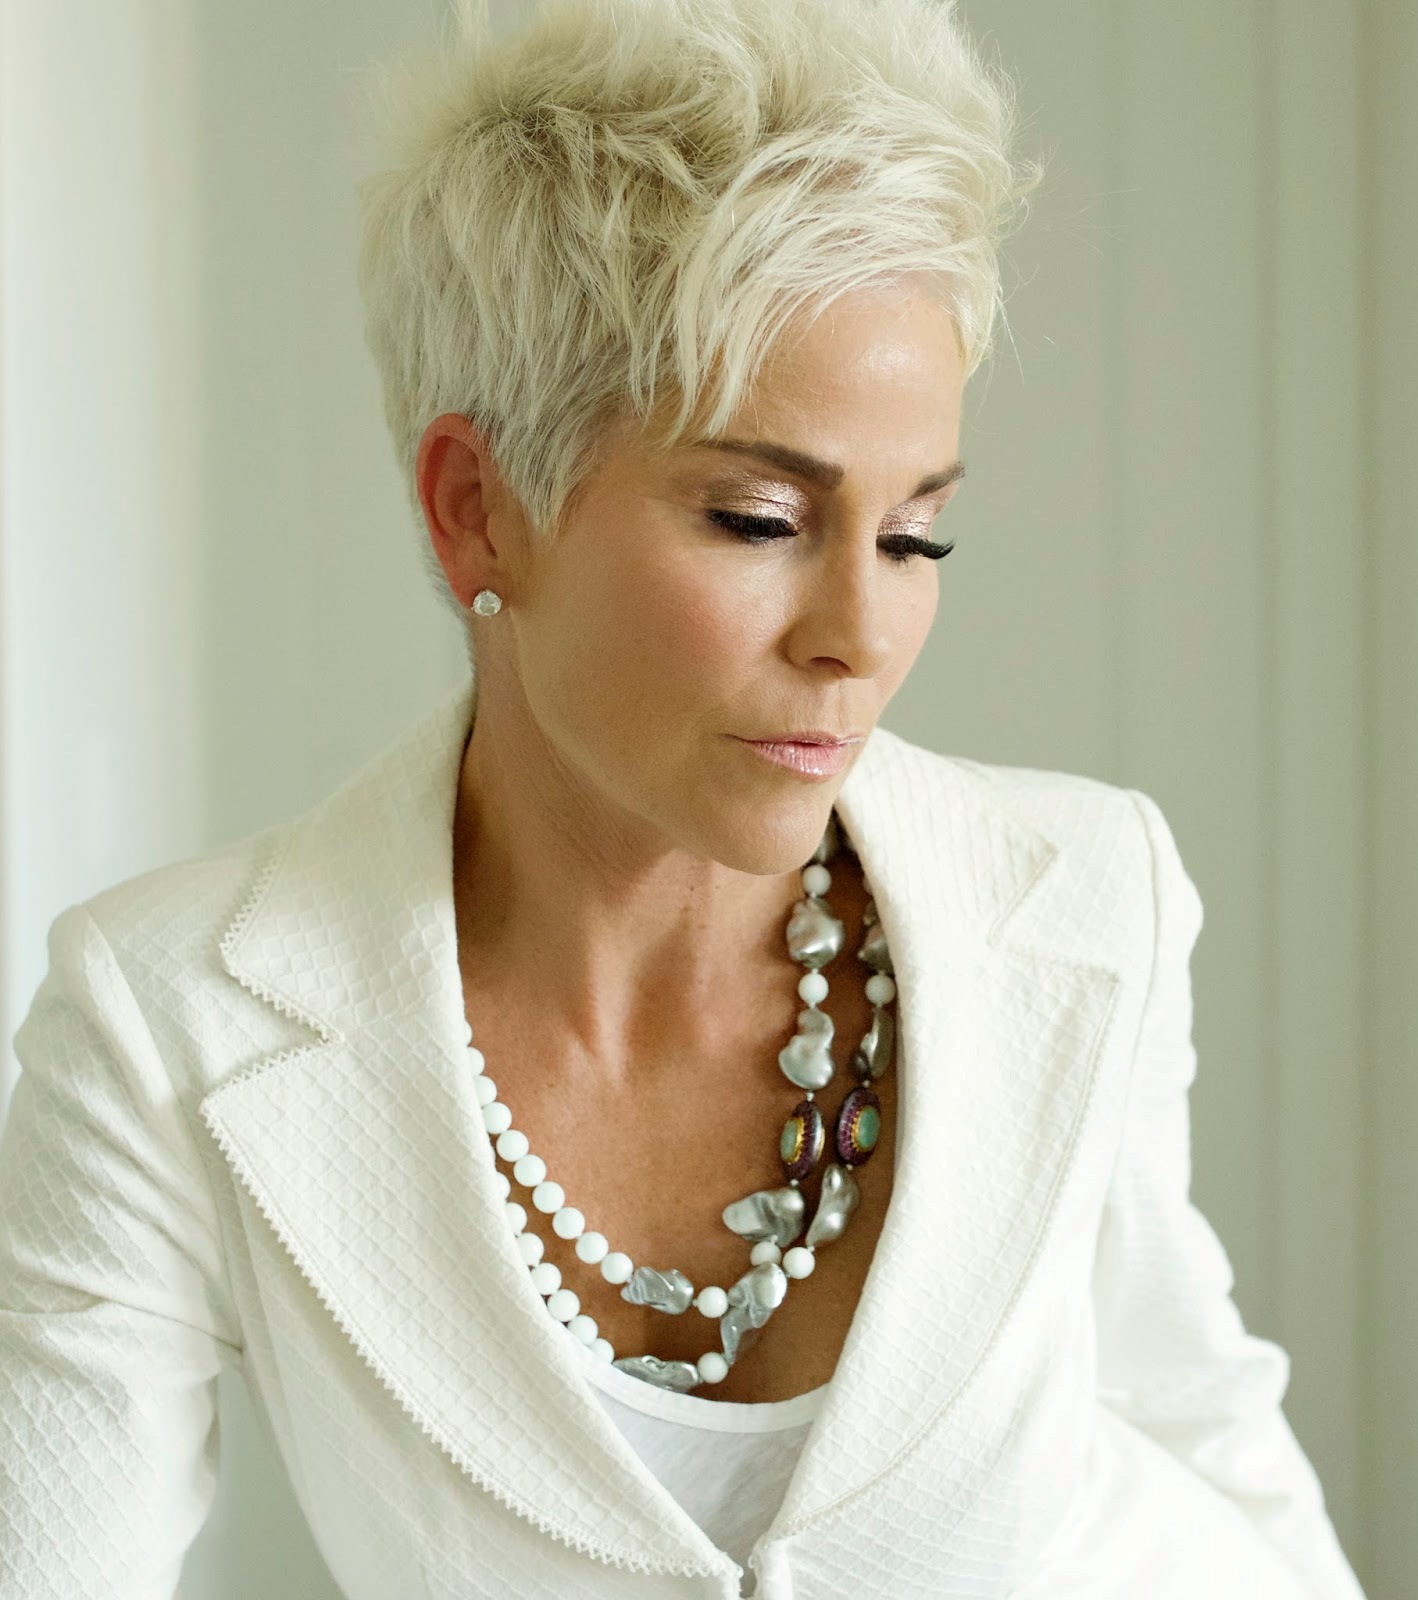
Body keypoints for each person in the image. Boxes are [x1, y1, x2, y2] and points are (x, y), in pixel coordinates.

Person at [0, 0, 1369, 1596]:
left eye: (914, 534)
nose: (860, 634)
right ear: (476, 510)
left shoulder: (1085, 895)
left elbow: (1190, 1422)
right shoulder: (166, 1025)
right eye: (757, 518)